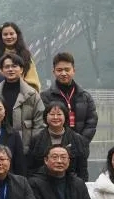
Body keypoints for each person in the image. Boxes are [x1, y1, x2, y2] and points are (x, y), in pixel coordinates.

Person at [41, 52, 99, 181]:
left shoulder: (85, 96)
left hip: (80, 151)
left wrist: (80, 142)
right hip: (55, 152)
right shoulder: (45, 96)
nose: (63, 73)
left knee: (79, 183)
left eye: (67, 70)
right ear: (54, 72)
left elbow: (92, 122)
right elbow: (43, 122)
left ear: (74, 71)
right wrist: (59, 147)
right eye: (59, 70)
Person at [0, 53, 44, 138]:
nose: (10, 69)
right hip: (0, 141)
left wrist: (34, 143)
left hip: (26, 143)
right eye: (7, 67)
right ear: (1, 70)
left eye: (14, 66)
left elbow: (39, 123)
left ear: (21, 69)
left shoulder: (32, 94)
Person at [27, 101, 90, 177]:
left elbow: (82, 168)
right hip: (43, 180)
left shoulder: (77, 139)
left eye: (59, 114)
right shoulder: (36, 139)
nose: (55, 117)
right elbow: (31, 167)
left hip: (69, 181)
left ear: (65, 116)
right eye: (52, 114)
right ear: (46, 117)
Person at [0, 22, 41, 92]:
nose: (9, 37)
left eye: (11, 34)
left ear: (17, 35)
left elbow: (33, 82)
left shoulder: (25, 55)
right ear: (1, 37)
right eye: (5, 34)